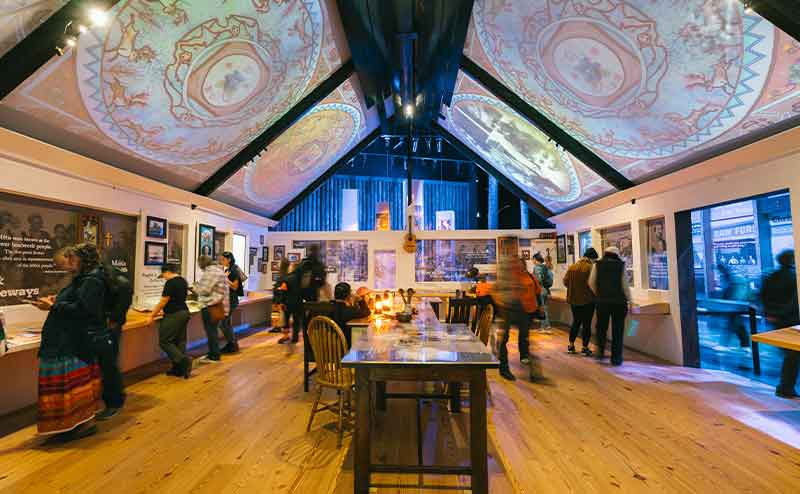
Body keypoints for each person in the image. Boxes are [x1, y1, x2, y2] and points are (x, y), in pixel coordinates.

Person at [31, 243, 104, 439]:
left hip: (69, 341)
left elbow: (83, 310)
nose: (68, 261)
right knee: (74, 384)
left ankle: (81, 424)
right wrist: (56, 301)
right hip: (67, 340)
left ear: (83, 259)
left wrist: (53, 306)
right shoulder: (83, 280)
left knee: (71, 385)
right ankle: (75, 424)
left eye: (72, 257)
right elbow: (77, 304)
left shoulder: (91, 281)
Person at [95, 257, 133, 419]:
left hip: (108, 325)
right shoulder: (104, 275)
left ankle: (114, 401)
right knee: (107, 363)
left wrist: (114, 319)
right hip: (105, 324)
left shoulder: (106, 276)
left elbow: (124, 290)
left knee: (108, 363)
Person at [760, 250, 799, 398]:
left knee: (790, 355)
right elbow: (794, 302)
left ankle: (785, 386)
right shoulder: (794, 277)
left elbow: (762, 296)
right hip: (791, 319)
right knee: (792, 355)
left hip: (776, 319)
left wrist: (770, 313)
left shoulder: (771, 277)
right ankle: (785, 387)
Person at [495, 257, 541, 381]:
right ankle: (504, 368)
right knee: (505, 338)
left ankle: (526, 360)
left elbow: (536, 291)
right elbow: (498, 290)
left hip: (524, 309)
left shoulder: (528, 276)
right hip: (509, 308)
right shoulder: (509, 275)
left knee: (524, 336)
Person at [589, 246, 632, 366]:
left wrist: (599, 294)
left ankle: (600, 352)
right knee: (618, 330)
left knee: (601, 328)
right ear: (617, 254)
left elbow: (591, 282)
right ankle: (616, 358)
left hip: (602, 302)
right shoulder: (621, 265)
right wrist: (630, 300)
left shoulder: (597, 265)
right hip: (619, 302)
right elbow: (625, 285)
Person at [148, 264, 192, 379]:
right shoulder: (182, 281)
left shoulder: (170, 283)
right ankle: (179, 370)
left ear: (167, 272)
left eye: (163, 275)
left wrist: (152, 315)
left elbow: (163, 301)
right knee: (179, 341)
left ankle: (184, 361)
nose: (164, 278)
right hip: (184, 312)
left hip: (174, 314)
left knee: (165, 341)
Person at [194, 255, 229, 363]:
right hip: (218, 304)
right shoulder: (219, 271)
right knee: (213, 330)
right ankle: (213, 353)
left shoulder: (210, 272)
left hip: (210, 306)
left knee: (211, 331)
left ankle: (214, 356)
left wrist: (195, 287)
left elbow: (204, 290)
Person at [563, 247, 598, 355]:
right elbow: (594, 284)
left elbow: (565, 282)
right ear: (592, 258)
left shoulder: (572, 267)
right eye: (594, 260)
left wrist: (574, 288)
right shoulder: (591, 267)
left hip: (573, 300)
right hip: (588, 300)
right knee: (586, 324)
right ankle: (584, 348)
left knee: (576, 322)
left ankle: (571, 345)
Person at [328, 282, 370, 348]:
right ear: (348, 295)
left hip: (327, 347)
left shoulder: (326, 307)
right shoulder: (350, 311)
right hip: (343, 346)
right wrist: (360, 300)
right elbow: (367, 312)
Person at [219, 252, 243, 354]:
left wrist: (225, 279)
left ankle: (232, 344)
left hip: (231, 300)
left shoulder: (233, 270)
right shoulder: (228, 270)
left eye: (223, 259)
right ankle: (232, 344)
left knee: (223, 323)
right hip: (227, 300)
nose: (221, 261)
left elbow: (235, 287)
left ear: (229, 259)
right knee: (226, 323)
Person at [273, 258, 293, 344]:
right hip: (283, 299)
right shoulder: (286, 276)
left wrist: (279, 301)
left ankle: (285, 336)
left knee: (284, 318)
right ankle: (285, 335)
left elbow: (282, 289)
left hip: (282, 300)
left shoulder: (283, 277)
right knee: (284, 318)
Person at [532, 252, 554, 332]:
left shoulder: (537, 268)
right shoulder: (545, 267)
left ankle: (546, 327)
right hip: (546, 290)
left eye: (533, 259)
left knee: (542, 309)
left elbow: (538, 280)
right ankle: (543, 327)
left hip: (540, 290)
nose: (532, 261)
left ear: (535, 259)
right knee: (543, 308)